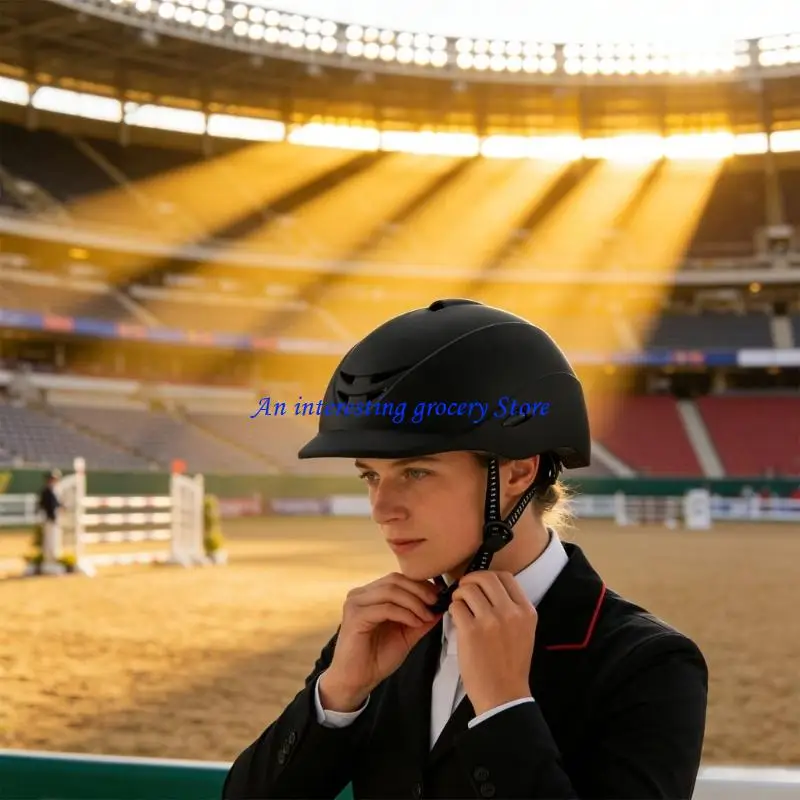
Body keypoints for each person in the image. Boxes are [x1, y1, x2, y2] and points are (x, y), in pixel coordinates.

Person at [223, 299, 708, 800]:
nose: (382, 508)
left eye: (416, 472)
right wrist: (338, 696)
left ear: (518, 471)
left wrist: (505, 708)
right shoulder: (375, 637)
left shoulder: (649, 665)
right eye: (371, 476)